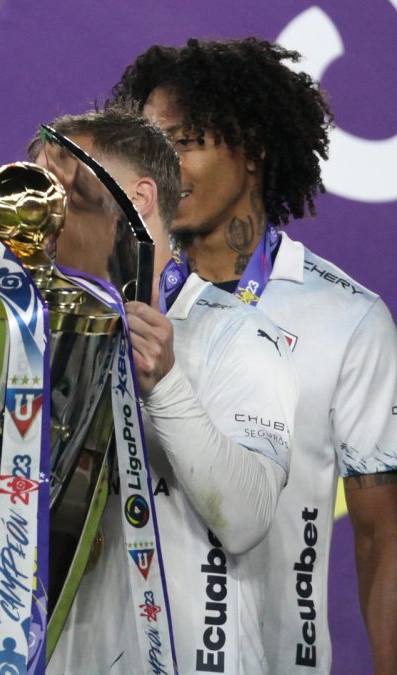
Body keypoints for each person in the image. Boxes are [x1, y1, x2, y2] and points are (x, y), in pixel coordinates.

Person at [113, 37, 397, 674]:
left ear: (254, 151)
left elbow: (384, 537)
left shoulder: (349, 320)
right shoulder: (110, 304)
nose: (162, 168)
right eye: (151, 146)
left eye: (184, 142)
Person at [24, 109, 298, 673]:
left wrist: (167, 386)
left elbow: (246, 517)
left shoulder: (239, 334)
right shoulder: (35, 337)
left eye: (62, 197)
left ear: (139, 197)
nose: (40, 220)